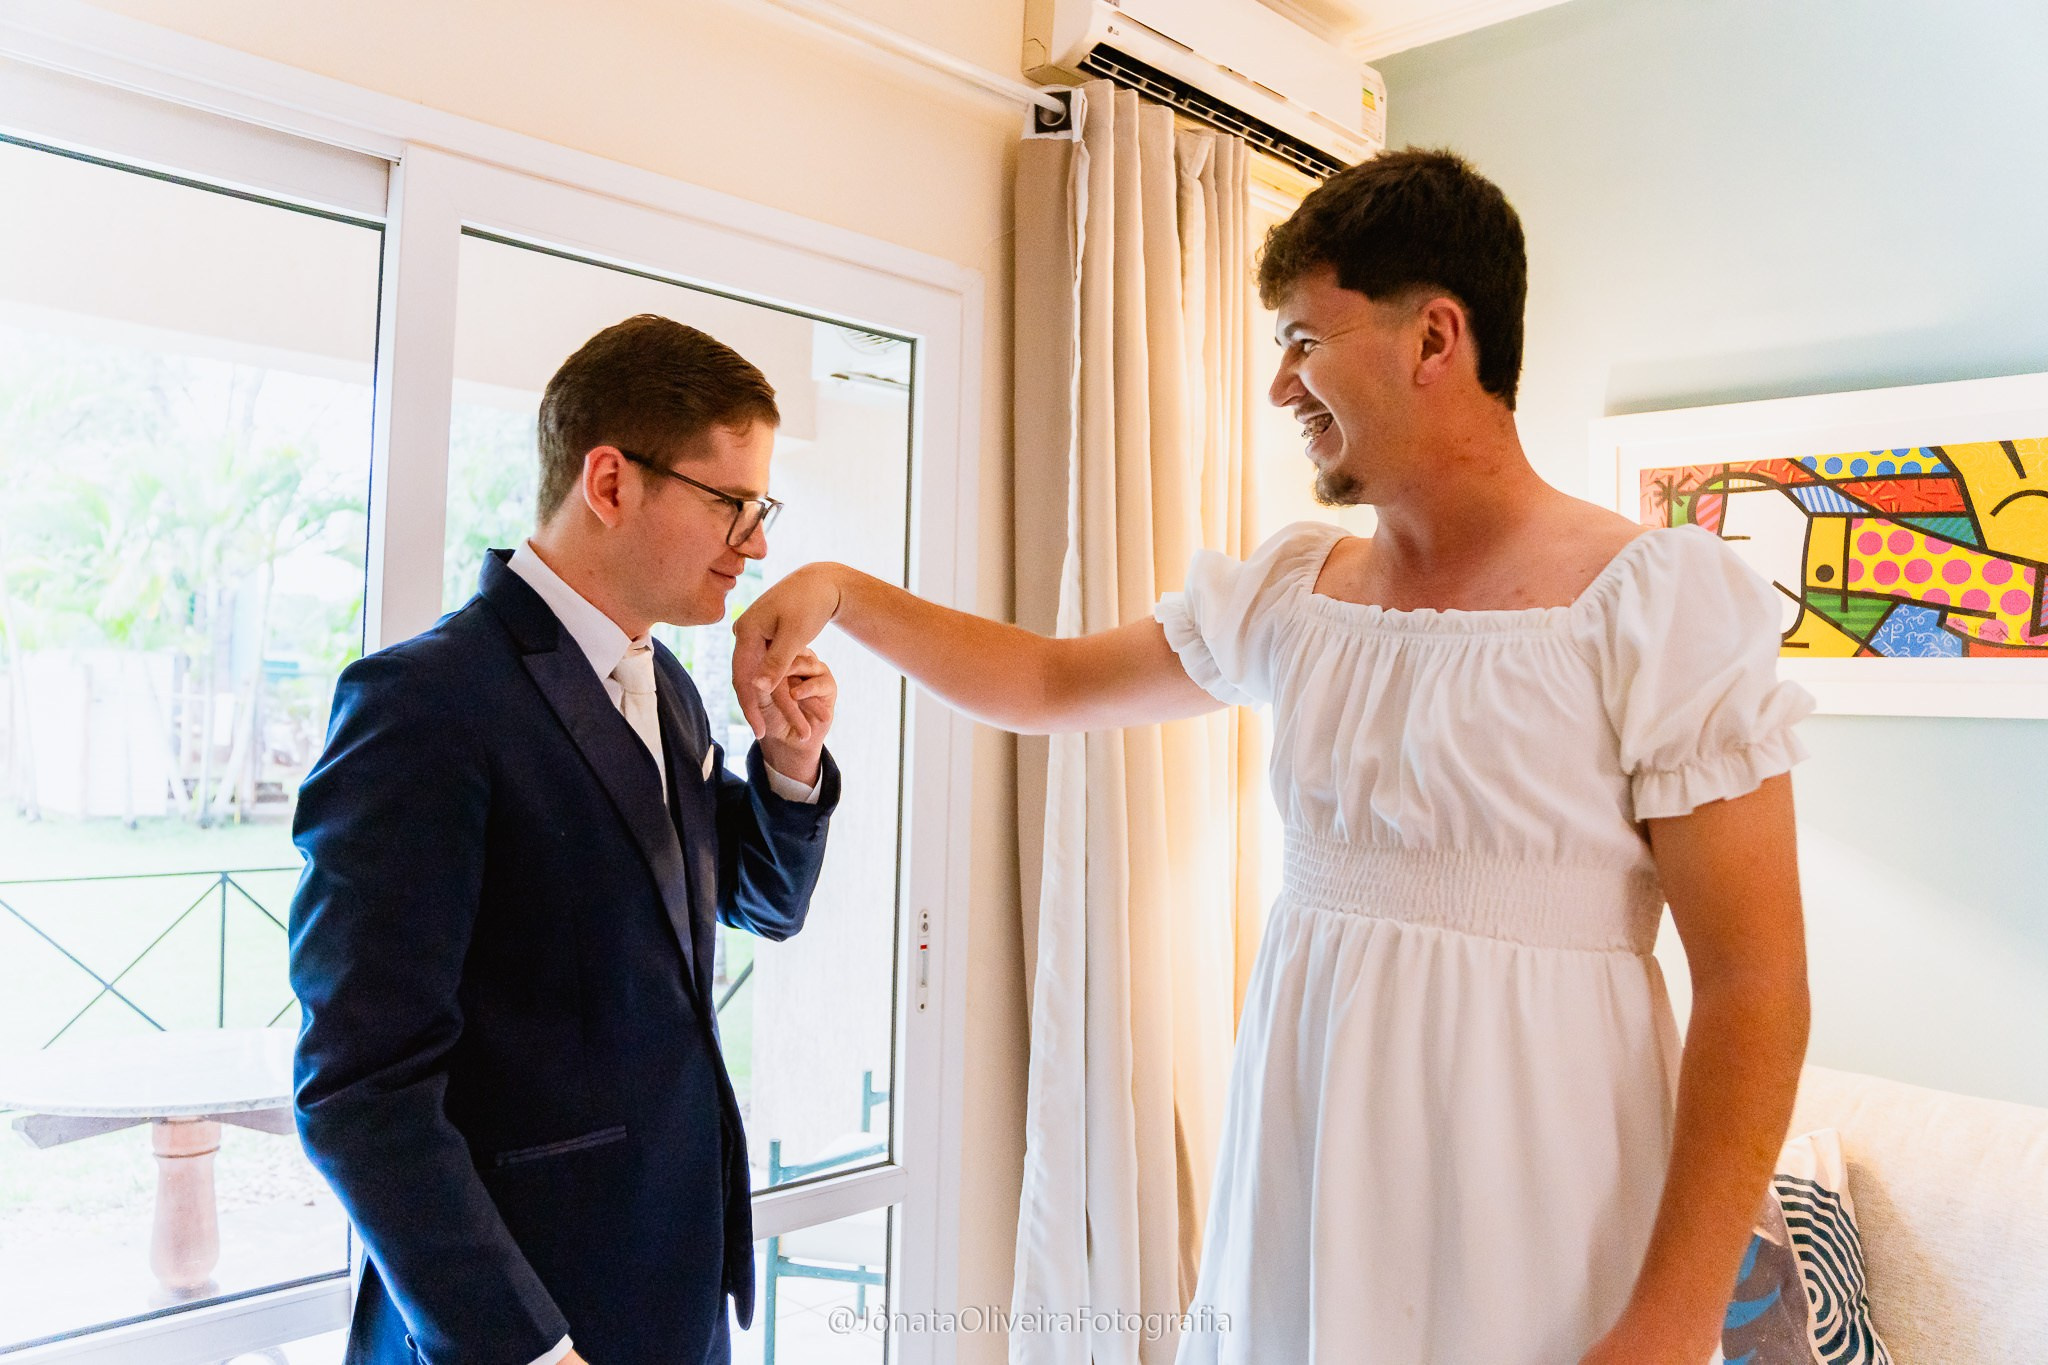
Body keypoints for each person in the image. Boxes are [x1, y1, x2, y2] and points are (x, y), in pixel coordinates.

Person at [732, 150, 1813, 1364]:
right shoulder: (1292, 590)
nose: (1277, 385)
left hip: (1543, 1187)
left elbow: (1753, 985)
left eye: (1303, 339)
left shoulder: (1653, 602)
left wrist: (1669, 1320)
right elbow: (1046, 682)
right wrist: (844, 592)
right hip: (1305, 1170)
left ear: (1433, 338)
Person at [290, 314, 840, 1365]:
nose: (758, 543)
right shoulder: (423, 705)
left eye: (761, 510)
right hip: (526, 1315)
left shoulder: (668, 686)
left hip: (674, 1288)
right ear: (610, 481)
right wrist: (527, 1346)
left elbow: (759, 904)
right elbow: (359, 1089)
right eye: (732, 504)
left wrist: (789, 762)